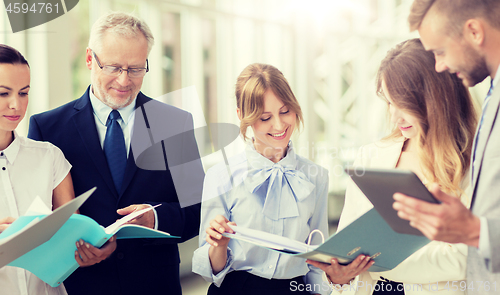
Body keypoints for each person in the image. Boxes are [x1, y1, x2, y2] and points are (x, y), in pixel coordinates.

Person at [28, 12, 204, 295]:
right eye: (113, 67)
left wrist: (156, 218)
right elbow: (36, 219)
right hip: (81, 285)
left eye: (136, 69)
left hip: (154, 284)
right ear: (89, 59)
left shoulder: (174, 123)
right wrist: (72, 247)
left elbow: (199, 209)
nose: (124, 81)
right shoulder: (48, 128)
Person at [308, 38, 478, 295]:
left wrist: (370, 265)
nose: (394, 116)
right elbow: (346, 250)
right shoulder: (370, 157)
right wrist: (340, 277)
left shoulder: (473, 164)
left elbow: (462, 260)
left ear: (436, 99)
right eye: (389, 102)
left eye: (404, 104)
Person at [192, 63, 331, 295]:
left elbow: (316, 258)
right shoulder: (221, 175)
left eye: (285, 111)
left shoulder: (316, 177)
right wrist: (219, 245)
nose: (279, 125)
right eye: (265, 117)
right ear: (242, 116)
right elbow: (211, 272)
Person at [393, 1, 500, 292]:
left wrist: (476, 232)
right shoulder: (492, 97)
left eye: (439, 52)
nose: (439, 65)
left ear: (474, 31)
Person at [0, 44, 75, 294]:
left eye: (23, 93)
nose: (16, 105)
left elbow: (72, 236)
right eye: (3, 93)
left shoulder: (49, 157)